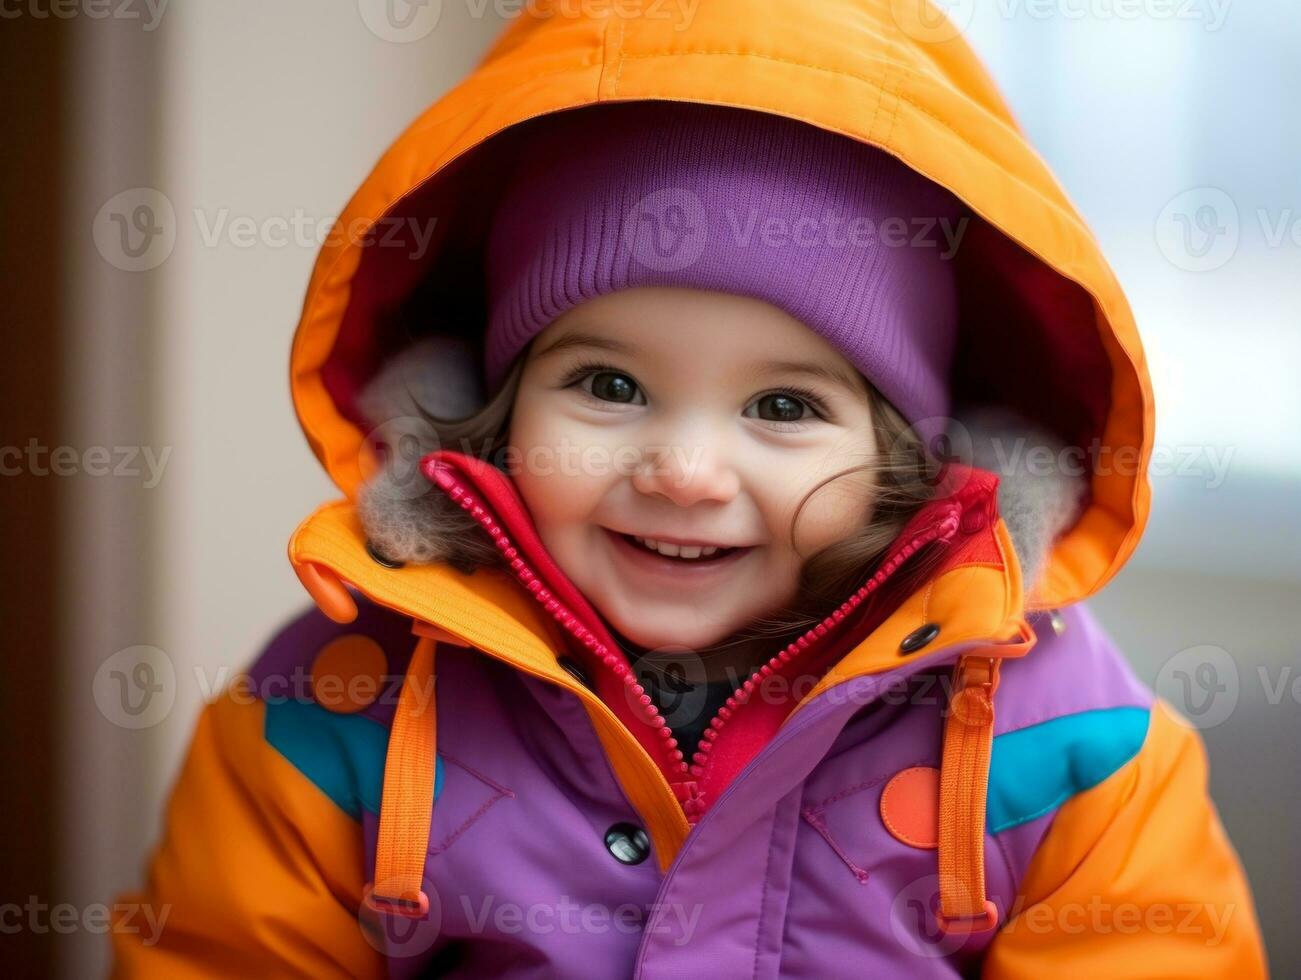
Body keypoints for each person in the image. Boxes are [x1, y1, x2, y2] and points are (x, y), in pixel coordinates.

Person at [112, 4, 1266, 978]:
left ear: (898, 460)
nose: (684, 471)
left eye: (782, 407)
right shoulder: (333, 703)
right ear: (502, 410)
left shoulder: (1064, 736)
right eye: (607, 383)